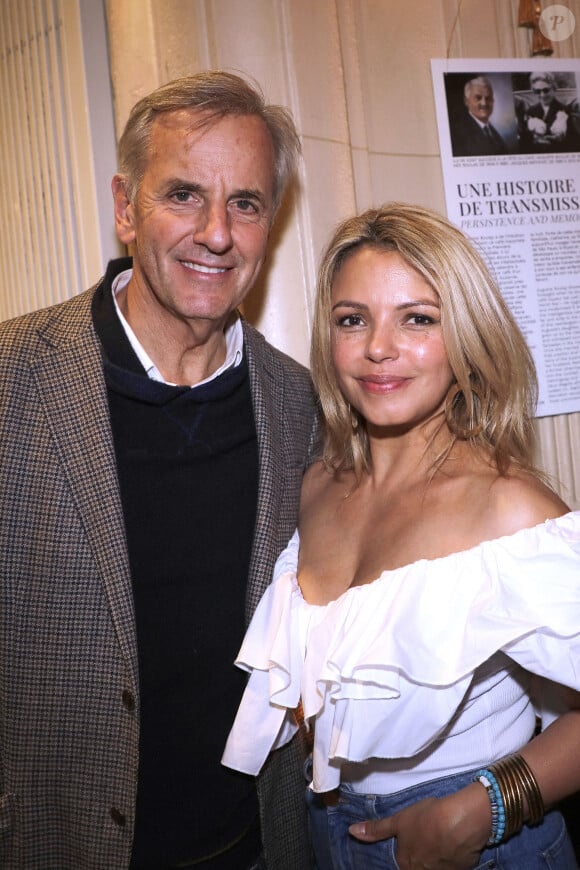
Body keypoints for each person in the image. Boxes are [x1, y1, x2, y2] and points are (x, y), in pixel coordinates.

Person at [0, 72, 320, 870]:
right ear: (124, 206)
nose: (217, 232)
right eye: (183, 193)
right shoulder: (12, 380)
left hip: (255, 849)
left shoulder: (299, 405)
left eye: (245, 203)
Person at [223, 202, 580, 869]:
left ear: (467, 339)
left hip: (483, 843)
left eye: (417, 319)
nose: (378, 347)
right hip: (323, 834)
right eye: (352, 319)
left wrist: (481, 809)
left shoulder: (510, 510)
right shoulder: (313, 489)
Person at [517, 72, 580, 153]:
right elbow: (524, 140)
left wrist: (560, 140)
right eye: (538, 91)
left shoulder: (566, 111)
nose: (542, 95)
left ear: (554, 89)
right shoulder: (530, 112)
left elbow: (575, 144)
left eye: (546, 90)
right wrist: (534, 140)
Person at [449, 76, 507, 157]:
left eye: (488, 98)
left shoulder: (494, 134)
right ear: (466, 101)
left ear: (493, 101)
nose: (484, 103)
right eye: (478, 98)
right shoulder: (457, 134)